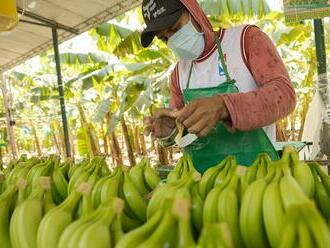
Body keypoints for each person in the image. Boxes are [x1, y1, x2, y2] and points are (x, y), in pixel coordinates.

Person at [142, 0, 296, 173]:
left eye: (175, 29)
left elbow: (284, 95)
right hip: (205, 182)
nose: (173, 41)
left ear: (194, 12)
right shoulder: (179, 74)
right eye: (164, 38)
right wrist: (171, 129)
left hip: (259, 176)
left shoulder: (246, 40)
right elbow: (183, 134)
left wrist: (224, 106)